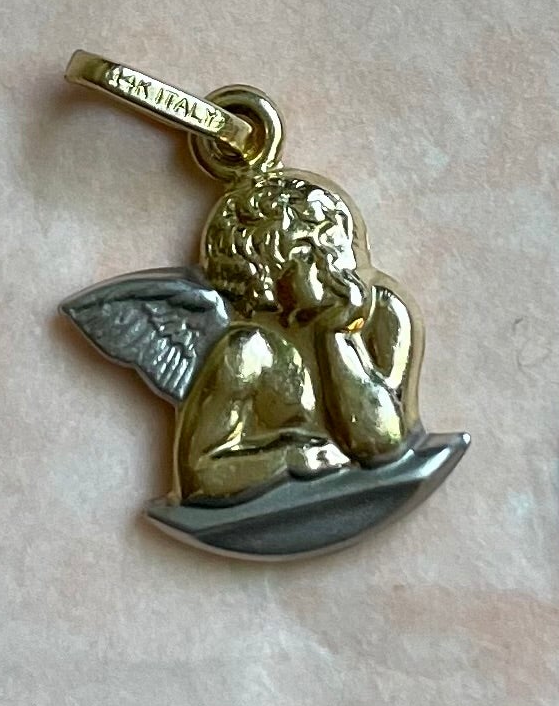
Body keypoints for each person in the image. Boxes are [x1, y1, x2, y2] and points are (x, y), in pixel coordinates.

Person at [173, 170, 419, 501]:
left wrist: (335, 335)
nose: (335, 267)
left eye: (334, 245)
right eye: (308, 253)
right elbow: (200, 475)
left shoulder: (383, 313)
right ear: (264, 275)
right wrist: (291, 458)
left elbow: (382, 444)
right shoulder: (248, 352)